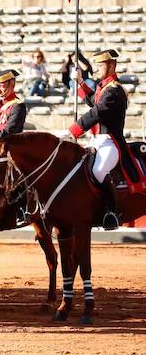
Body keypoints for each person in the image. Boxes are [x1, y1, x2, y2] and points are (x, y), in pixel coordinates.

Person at [68, 50, 145, 230]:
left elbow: (98, 111)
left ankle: (112, 211)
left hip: (111, 142)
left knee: (98, 171)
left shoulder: (115, 90)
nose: (99, 69)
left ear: (112, 66)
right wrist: (80, 82)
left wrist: (74, 129)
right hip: (96, 140)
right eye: (99, 65)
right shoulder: (103, 88)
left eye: (102, 65)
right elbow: (93, 101)